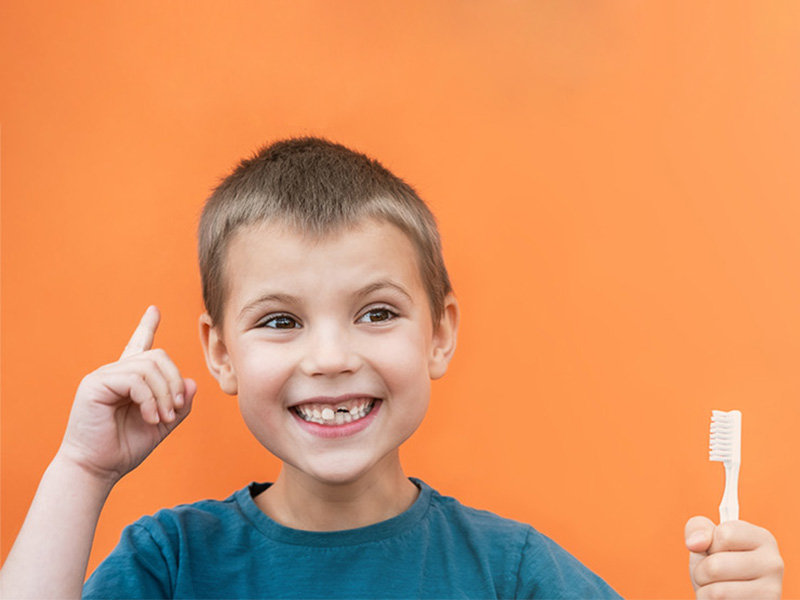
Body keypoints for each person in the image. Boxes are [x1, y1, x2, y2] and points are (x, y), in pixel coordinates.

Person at [0, 138, 783, 599]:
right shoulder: (171, 563)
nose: (334, 358)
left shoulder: (510, 572)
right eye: (280, 321)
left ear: (439, 334)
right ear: (219, 353)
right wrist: (81, 470)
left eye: (377, 313)